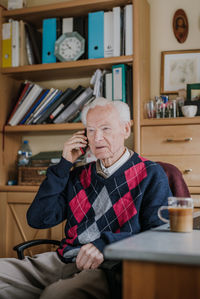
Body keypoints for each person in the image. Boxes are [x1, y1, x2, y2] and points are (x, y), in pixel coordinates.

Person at [0, 97, 172, 299]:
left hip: (108, 266)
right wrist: (64, 165)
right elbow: (38, 219)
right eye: (91, 130)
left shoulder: (151, 173)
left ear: (126, 129)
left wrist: (105, 244)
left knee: (57, 295)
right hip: (64, 260)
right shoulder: (77, 175)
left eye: (105, 128)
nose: (97, 138)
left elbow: (159, 234)